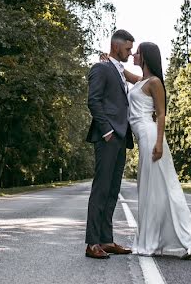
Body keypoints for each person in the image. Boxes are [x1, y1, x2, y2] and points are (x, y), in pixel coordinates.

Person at [117, 41, 191, 259]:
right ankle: (154, 240)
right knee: (149, 191)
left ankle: (188, 240)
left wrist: (159, 143)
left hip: (151, 137)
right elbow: (126, 74)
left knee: (164, 189)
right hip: (144, 137)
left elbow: (162, 114)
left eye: (137, 53)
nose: (134, 55)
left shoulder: (154, 82)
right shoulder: (141, 81)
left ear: (145, 57)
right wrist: (112, 61)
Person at [84, 29, 136, 259]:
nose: (130, 52)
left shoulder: (120, 71)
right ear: (116, 47)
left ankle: (106, 240)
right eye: (128, 48)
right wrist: (106, 131)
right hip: (108, 137)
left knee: (113, 190)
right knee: (101, 189)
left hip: (121, 138)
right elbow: (93, 101)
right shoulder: (101, 68)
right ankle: (92, 243)